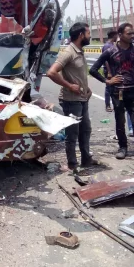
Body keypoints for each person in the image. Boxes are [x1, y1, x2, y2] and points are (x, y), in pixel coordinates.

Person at [47, 22, 94, 172]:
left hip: (82, 99)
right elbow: (51, 72)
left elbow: (77, 74)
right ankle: (72, 164)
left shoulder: (79, 51)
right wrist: (69, 86)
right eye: (88, 33)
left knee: (85, 130)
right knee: (72, 134)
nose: (90, 36)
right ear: (81, 35)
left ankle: (86, 159)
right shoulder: (69, 52)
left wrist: (87, 88)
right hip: (71, 100)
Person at [89, 23, 134, 159]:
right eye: (129, 33)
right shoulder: (110, 51)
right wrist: (107, 81)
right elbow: (93, 70)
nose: (132, 36)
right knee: (120, 122)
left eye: (133, 33)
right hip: (118, 93)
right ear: (120, 35)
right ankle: (123, 147)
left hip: (133, 91)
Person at [102, 30, 118, 112]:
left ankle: (117, 105)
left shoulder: (113, 45)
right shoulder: (107, 46)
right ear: (113, 35)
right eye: (116, 35)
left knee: (115, 88)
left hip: (114, 70)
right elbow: (105, 60)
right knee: (108, 88)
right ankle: (107, 105)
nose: (117, 37)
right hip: (109, 71)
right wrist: (109, 72)